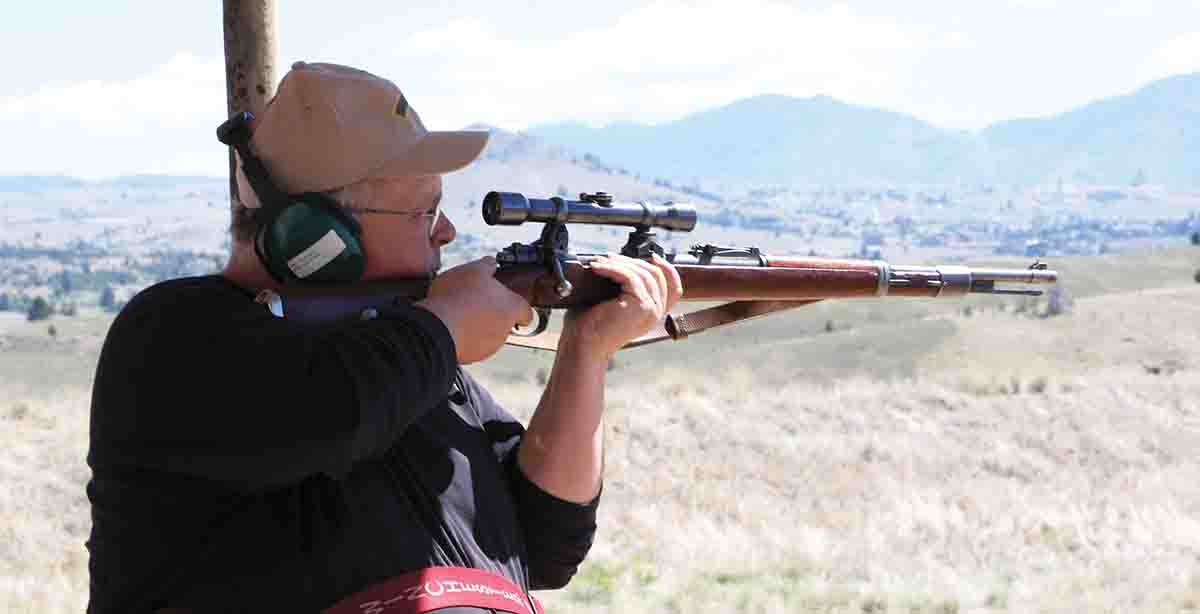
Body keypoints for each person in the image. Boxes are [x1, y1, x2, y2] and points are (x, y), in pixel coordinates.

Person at [85, 62, 682, 613]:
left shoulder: (409, 357)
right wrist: (444, 326)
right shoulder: (174, 334)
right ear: (315, 235)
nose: (447, 231)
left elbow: (547, 544)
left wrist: (585, 353)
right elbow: (331, 415)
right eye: (425, 213)